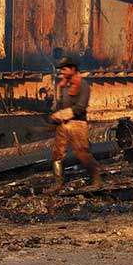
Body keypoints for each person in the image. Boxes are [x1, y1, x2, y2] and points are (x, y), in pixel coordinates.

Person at [50, 57, 102, 190]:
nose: (62, 71)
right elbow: (59, 104)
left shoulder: (83, 85)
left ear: (73, 69)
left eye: (65, 68)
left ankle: (96, 181)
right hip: (63, 124)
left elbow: (80, 107)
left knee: (82, 153)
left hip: (77, 124)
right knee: (57, 154)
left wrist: (63, 114)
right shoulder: (63, 86)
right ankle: (58, 183)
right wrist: (55, 113)